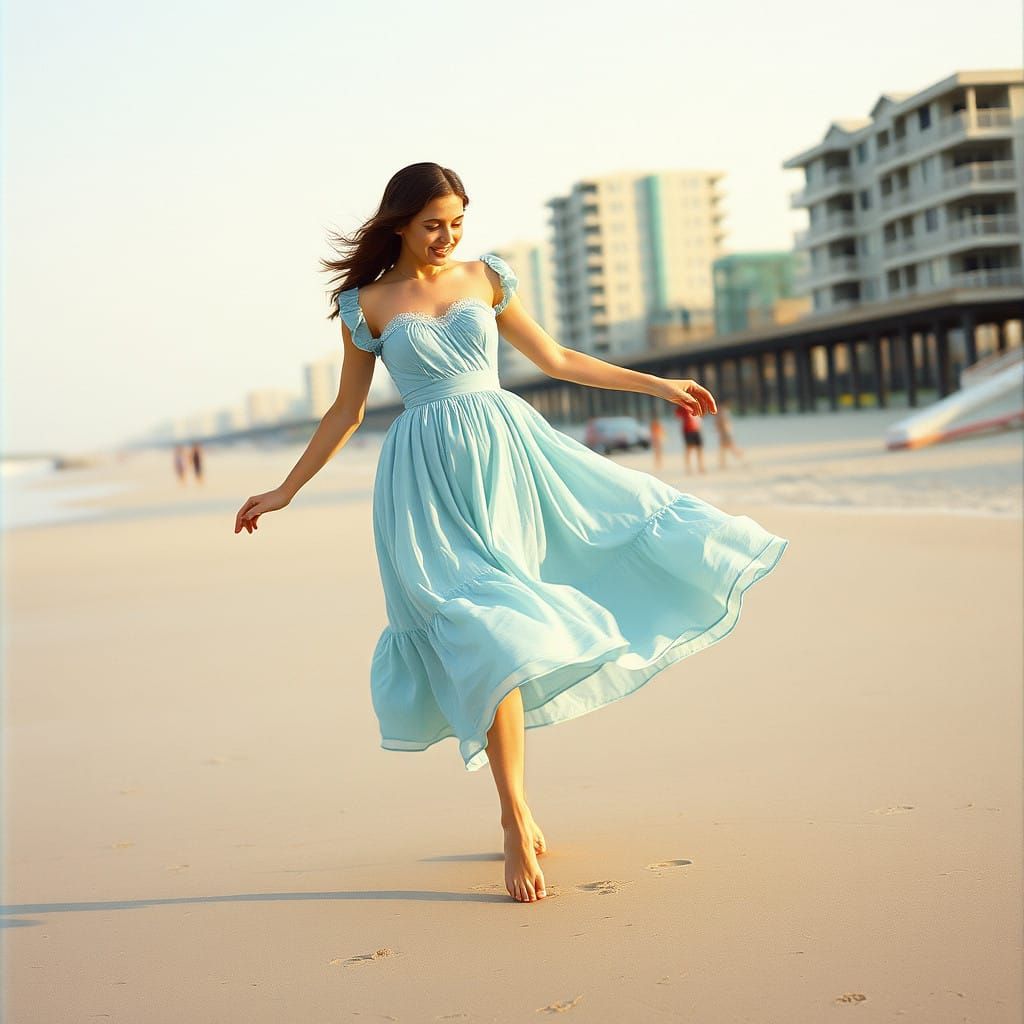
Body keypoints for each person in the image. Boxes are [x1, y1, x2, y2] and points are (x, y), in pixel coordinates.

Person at [233, 162, 789, 906]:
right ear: (399, 222)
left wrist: (657, 385)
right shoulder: (363, 304)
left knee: (520, 620)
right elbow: (345, 413)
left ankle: (515, 809)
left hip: (510, 465)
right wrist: (285, 491)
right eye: (434, 223)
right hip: (423, 484)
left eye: (457, 222)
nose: (447, 236)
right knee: (486, 631)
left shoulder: (485, 279)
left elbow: (557, 360)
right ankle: (515, 817)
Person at [713, 398, 746, 469]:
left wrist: (719, 428)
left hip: (725, 433)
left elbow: (721, 423)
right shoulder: (724, 412)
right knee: (725, 449)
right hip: (726, 433)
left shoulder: (722, 413)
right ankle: (723, 464)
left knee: (730, 448)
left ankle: (742, 459)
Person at [674, 402, 706, 474]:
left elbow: (700, 416)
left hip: (697, 429)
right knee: (689, 449)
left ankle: (701, 466)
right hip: (688, 430)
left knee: (699, 448)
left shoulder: (695, 404)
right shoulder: (682, 406)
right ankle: (689, 468)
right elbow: (677, 415)